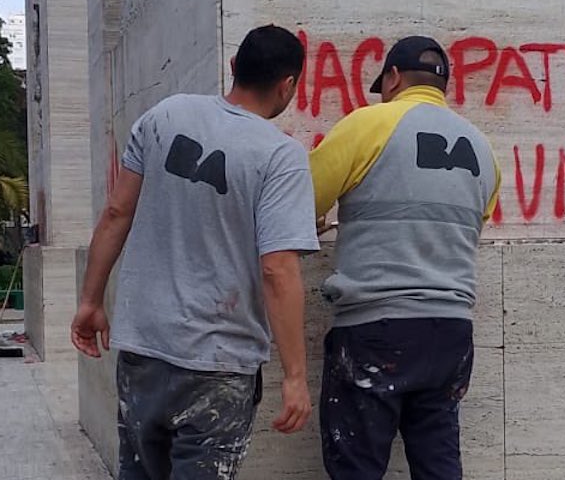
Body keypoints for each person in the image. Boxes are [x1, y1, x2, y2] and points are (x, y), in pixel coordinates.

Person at [71, 25, 320, 480]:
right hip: (218, 366)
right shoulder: (280, 157)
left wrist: (90, 302)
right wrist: (295, 376)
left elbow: (115, 212)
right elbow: (278, 270)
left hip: (143, 351)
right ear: (288, 85)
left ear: (233, 68)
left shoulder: (165, 115)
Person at [309, 36, 501, 479]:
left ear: (392, 77)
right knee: (438, 464)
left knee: (356, 466)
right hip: (450, 332)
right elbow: (472, 224)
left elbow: (295, 202)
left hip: (376, 327)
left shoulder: (370, 124)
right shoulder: (482, 149)